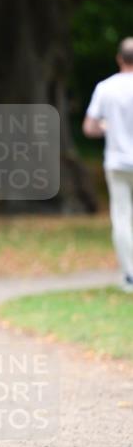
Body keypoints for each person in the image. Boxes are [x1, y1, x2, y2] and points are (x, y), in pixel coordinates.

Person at [83, 36, 133, 293]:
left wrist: (107, 127)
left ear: (119, 58)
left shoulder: (106, 87)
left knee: (122, 218)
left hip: (117, 162)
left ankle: (129, 275)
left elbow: (90, 127)